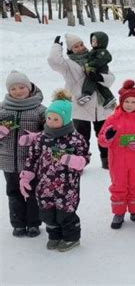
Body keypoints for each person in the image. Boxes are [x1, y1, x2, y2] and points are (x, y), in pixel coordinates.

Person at [19, 89, 90, 252]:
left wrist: (72, 160)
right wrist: (26, 176)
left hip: (67, 187)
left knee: (65, 213)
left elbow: (85, 158)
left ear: (65, 119)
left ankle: (71, 238)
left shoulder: (75, 138)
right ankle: (54, 235)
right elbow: (33, 157)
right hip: (44, 185)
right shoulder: (42, 138)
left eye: (55, 119)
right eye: (49, 118)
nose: (50, 121)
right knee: (46, 213)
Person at [47, 33, 115, 170]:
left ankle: (107, 161)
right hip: (80, 106)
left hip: (100, 106)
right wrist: (56, 47)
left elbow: (111, 78)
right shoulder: (67, 65)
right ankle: (79, 163)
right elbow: (53, 61)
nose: (80, 48)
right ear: (70, 49)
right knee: (81, 139)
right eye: (75, 46)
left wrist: (99, 77)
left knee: (104, 135)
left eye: (81, 44)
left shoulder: (96, 57)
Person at [98, 80, 135, 229]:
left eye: (133, 102)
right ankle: (119, 212)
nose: (129, 104)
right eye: (126, 101)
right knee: (119, 185)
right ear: (121, 102)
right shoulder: (112, 119)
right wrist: (107, 137)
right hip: (117, 161)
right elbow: (101, 140)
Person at [0, 70, 46, 238]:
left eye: (21, 87)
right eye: (13, 89)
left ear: (29, 88)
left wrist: (36, 137)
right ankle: (18, 224)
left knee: (32, 193)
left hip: (31, 163)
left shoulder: (39, 110)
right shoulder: (2, 109)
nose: (18, 91)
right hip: (8, 161)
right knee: (13, 193)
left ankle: (34, 223)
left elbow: (50, 133)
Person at [78, 31, 116, 109]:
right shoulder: (93, 51)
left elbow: (99, 61)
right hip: (95, 69)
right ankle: (109, 98)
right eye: (92, 40)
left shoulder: (102, 51)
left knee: (91, 79)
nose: (93, 42)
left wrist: (89, 64)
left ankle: (86, 93)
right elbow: (88, 57)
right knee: (99, 85)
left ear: (101, 42)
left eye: (95, 40)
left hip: (100, 70)